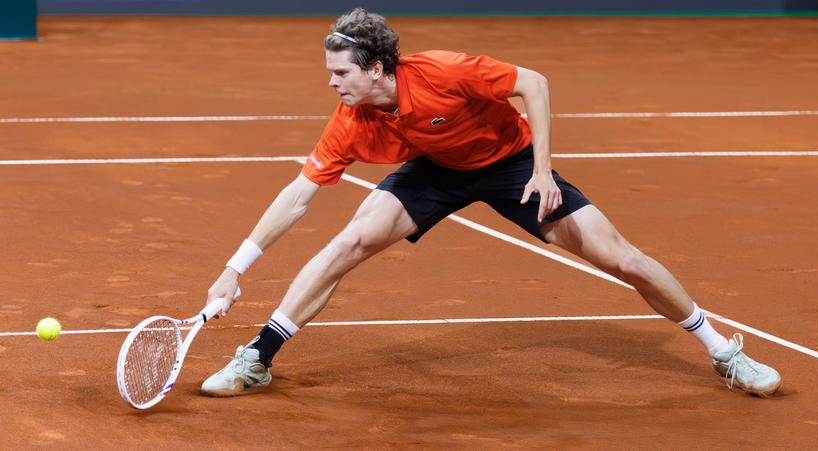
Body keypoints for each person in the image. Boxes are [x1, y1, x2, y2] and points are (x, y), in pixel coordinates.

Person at [199, 8, 781, 398]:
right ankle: (259, 358)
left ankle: (724, 353)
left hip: (512, 164)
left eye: (339, 72)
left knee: (621, 259)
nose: (331, 82)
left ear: (376, 69)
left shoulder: (444, 71)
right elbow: (298, 195)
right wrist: (233, 269)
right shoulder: (350, 121)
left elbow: (536, 83)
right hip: (437, 170)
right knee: (349, 241)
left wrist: (543, 168)